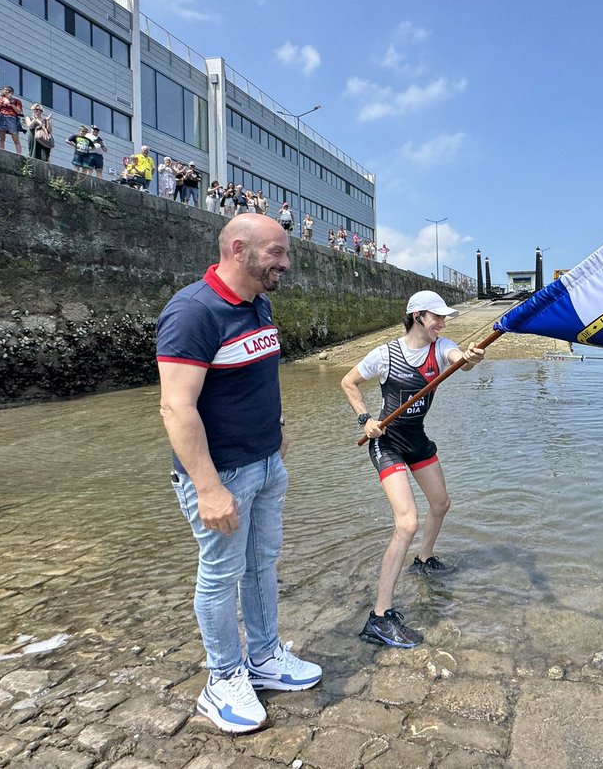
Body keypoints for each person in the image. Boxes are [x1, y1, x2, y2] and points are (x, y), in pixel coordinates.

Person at [156, 213, 321, 734]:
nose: (286, 263)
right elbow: (176, 408)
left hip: (268, 463)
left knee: (262, 564)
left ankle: (266, 658)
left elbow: (259, 375)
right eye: (276, 253)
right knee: (221, 574)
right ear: (237, 248)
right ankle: (221, 679)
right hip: (222, 475)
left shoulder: (259, 303)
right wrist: (208, 487)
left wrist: (278, 425)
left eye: (285, 252)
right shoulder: (193, 312)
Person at [339, 291, 486, 647]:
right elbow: (348, 382)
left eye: (444, 318)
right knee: (406, 522)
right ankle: (379, 616)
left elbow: (459, 360)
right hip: (387, 442)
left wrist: (468, 358)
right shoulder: (385, 355)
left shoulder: (441, 347)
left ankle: (423, 559)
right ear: (418, 316)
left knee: (441, 503)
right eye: (437, 317)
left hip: (416, 438)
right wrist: (365, 419)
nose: (442, 323)